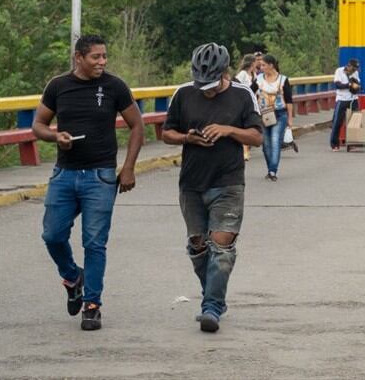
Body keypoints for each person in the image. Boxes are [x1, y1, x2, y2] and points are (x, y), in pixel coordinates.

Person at [32, 34, 145, 331]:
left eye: (105, 56)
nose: (102, 62)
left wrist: (129, 167)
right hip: (64, 174)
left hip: (101, 176)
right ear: (78, 57)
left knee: (95, 242)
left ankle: (92, 305)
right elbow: (38, 125)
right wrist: (56, 136)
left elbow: (137, 125)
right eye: (96, 57)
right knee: (52, 235)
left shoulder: (114, 86)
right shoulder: (58, 86)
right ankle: (73, 277)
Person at [162, 42, 264, 333]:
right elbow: (167, 133)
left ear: (225, 73)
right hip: (191, 183)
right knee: (198, 245)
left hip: (228, 181)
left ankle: (211, 307)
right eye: (200, 84)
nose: (205, 90)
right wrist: (188, 138)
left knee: (221, 246)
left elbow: (257, 138)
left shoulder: (243, 95)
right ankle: (214, 296)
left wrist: (228, 130)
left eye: (211, 84)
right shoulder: (183, 93)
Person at [256, 55, 295, 180]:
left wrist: (290, 118)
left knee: (275, 141)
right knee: (266, 144)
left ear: (271, 65)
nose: (261, 68)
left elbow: (289, 100)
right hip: (264, 114)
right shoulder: (258, 79)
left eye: (263, 65)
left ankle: (273, 171)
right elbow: (250, 93)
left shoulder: (283, 80)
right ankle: (270, 168)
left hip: (279, 114)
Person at [330, 58, 361, 151]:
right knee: (337, 122)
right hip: (342, 99)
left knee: (354, 122)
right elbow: (337, 85)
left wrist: (356, 85)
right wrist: (349, 85)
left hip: (353, 99)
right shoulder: (339, 71)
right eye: (354, 68)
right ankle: (334, 144)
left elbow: (358, 84)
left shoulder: (355, 73)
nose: (355, 70)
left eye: (356, 69)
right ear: (349, 66)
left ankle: (352, 144)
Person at [235, 54, 258, 161]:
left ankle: (246, 148)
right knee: (245, 127)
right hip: (243, 102)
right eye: (255, 62)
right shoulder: (243, 74)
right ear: (251, 63)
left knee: (251, 126)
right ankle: (245, 151)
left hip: (254, 102)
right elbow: (237, 85)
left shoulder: (254, 74)